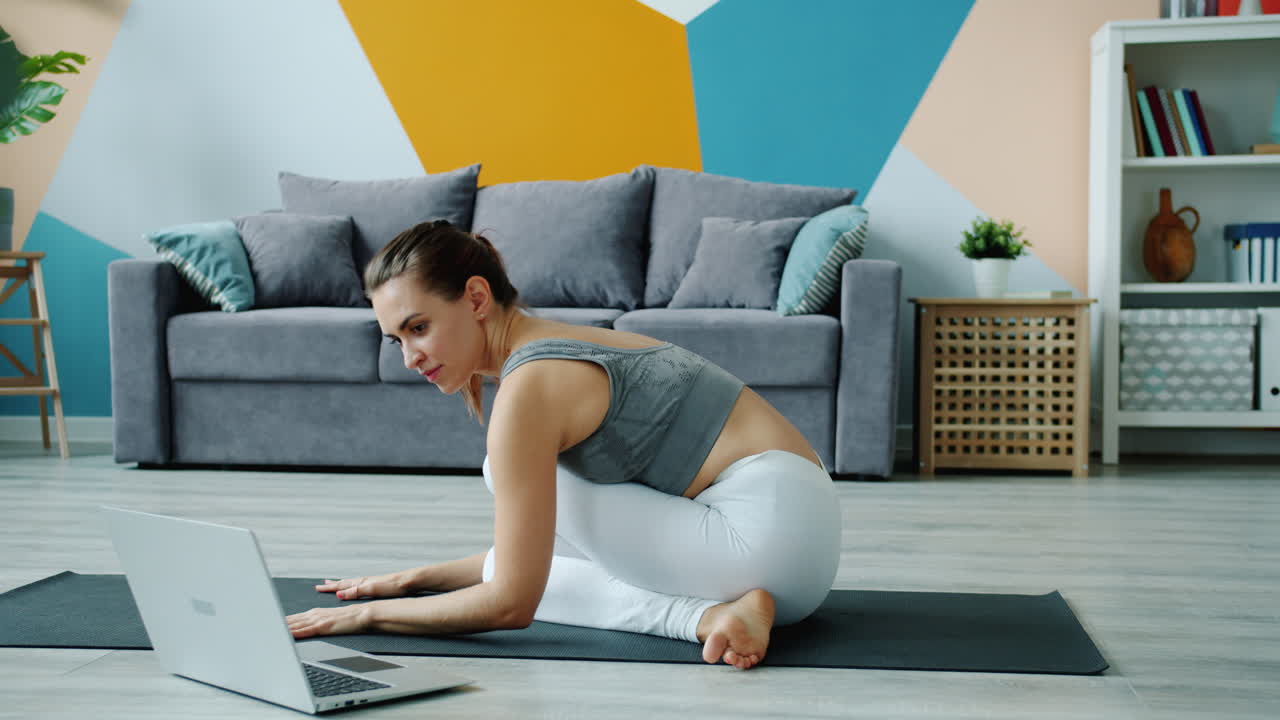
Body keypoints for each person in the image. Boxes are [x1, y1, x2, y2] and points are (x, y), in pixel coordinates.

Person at [285, 220, 842, 670]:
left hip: (759, 541)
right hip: (798, 530)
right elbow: (536, 557)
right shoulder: (561, 340)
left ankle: (703, 616)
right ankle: (733, 610)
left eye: (419, 327)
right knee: (518, 552)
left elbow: (510, 604)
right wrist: (411, 581)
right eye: (396, 339)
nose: (409, 358)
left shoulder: (529, 388)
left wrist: (369, 617)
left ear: (476, 297)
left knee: (502, 502)